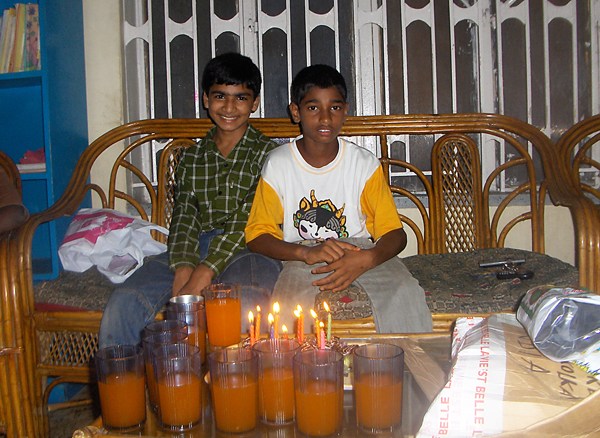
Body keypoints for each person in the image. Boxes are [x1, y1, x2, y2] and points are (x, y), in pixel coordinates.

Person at [99, 53, 282, 347]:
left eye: (240, 98)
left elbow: (247, 220)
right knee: (124, 303)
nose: (229, 107)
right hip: (194, 247)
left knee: (244, 306)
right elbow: (185, 217)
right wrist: (184, 266)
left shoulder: (270, 155)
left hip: (251, 248)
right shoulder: (192, 158)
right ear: (206, 99)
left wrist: (203, 273)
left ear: (255, 103)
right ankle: (135, 376)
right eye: (220, 96)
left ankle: (232, 376)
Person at [245, 64, 432, 332]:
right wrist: (306, 253)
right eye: (313, 108)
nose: (325, 118)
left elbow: (394, 233)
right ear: (296, 112)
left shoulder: (363, 163)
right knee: (288, 303)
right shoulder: (279, 164)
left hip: (360, 250)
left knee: (404, 292)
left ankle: (404, 360)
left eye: (334, 107)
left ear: (345, 111)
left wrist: (368, 259)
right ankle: (300, 361)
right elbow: (257, 235)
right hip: (304, 254)